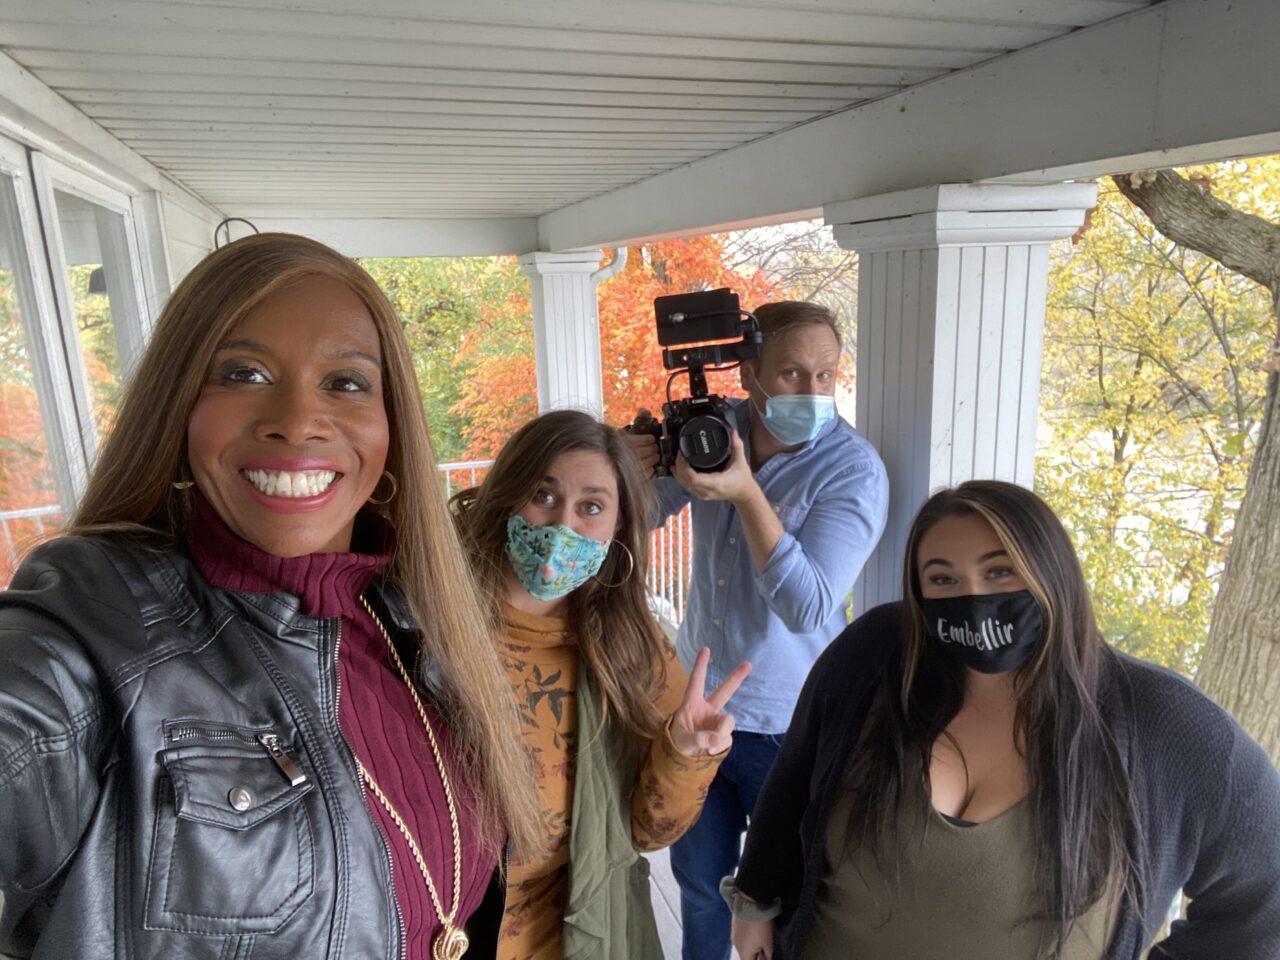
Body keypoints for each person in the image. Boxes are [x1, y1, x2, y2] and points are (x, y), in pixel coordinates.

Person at [0, 233, 542, 960]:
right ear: (179, 410)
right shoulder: (97, 621)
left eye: (345, 382)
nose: (297, 419)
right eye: (243, 373)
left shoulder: (415, 618)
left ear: (391, 428)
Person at [725, 480, 1280, 960]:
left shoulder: (1165, 722)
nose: (975, 598)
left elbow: (1267, 890)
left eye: (1000, 571)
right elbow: (794, 776)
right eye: (943, 580)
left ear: (1051, 571)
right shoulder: (879, 651)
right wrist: (753, 899)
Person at [626, 299, 889, 960]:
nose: (812, 391)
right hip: (697, 707)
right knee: (699, 886)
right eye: (793, 372)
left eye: (826, 375)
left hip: (788, 721)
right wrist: (621, 466)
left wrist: (746, 495)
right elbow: (640, 517)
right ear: (750, 373)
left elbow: (809, 605)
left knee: (783, 894)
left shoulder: (853, 470)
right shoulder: (714, 431)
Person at [452, 410, 752, 960]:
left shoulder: (632, 649)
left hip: (565, 938)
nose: (561, 524)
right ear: (507, 496)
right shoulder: (426, 615)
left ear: (616, 529)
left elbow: (643, 832)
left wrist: (685, 756)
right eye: (543, 496)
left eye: (591, 507)